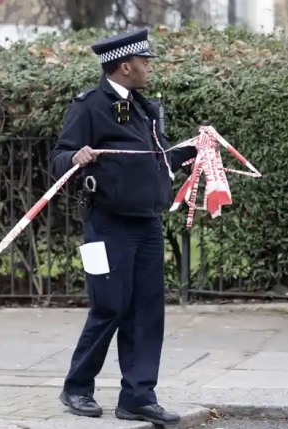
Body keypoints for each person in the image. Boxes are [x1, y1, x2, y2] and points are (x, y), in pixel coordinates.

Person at [50, 28, 198, 426]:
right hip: (106, 223)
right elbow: (58, 157)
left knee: (147, 312)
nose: (149, 67)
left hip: (146, 222)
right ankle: (77, 387)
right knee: (109, 306)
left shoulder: (145, 107)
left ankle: (137, 396)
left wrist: (193, 149)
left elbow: (157, 156)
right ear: (124, 65)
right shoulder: (89, 106)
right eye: (145, 62)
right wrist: (74, 157)